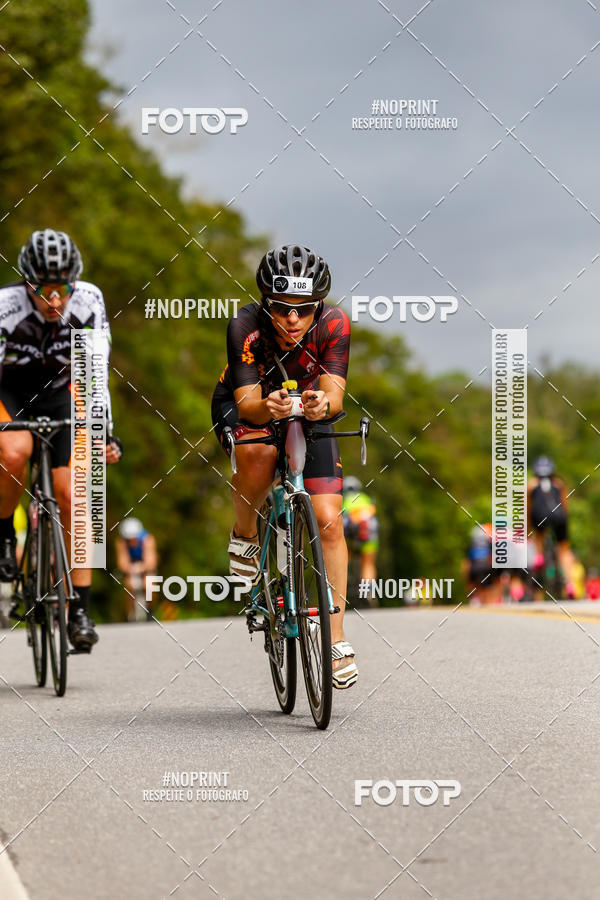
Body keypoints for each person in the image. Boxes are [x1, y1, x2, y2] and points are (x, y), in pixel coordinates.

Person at [211, 244, 357, 689]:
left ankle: (335, 639)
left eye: (303, 309)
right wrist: (268, 406)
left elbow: (335, 394)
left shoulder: (333, 324)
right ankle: (245, 535)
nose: (292, 319)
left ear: (318, 306)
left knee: (330, 522)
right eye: (281, 308)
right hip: (252, 405)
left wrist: (320, 405)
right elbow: (247, 404)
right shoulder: (245, 325)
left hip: (305, 412)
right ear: (264, 302)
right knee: (257, 455)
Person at [0, 229, 121, 651]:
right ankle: (3, 532)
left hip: (63, 392)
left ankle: (81, 609)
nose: (55, 300)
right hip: (10, 391)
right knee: (14, 450)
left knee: (78, 497)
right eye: (45, 290)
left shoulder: (87, 300)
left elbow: (95, 371)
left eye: (62, 289)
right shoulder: (6, 306)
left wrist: (105, 430)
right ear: (27, 284)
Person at [527, 456, 576, 597]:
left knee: (540, 536)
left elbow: (528, 508)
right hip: (559, 517)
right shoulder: (559, 484)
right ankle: (569, 584)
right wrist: (564, 522)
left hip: (539, 516)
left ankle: (539, 558)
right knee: (564, 548)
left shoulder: (531, 485)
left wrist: (529, 526)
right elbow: (565, 506)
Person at [341, 476, 379, 607]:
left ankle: (340, 589)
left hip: (350, 530)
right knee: (367, 563)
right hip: (369, 529)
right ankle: (367, 592)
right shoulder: (366, 499)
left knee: (344, 558)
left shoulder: (343, 499)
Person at [115, 517, 158, 621]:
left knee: (149, 584)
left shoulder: (148, 539)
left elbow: (151, 562)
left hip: (146, 569)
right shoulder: (121, 542)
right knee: (129, 585)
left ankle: (150, 611)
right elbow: (122, 562)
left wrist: (141, 567)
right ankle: (130, 615)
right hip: (131, 570)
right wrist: (130, 568)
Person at [463, 523, 500, 605]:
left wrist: (466, 575)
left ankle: (475, 598)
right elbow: (492, 557)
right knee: (487, 587)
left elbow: (467, 562)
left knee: (475, 584)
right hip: (485, 567)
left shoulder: (472, 544)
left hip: (474, 568)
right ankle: (486, 601)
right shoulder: (489, 543)